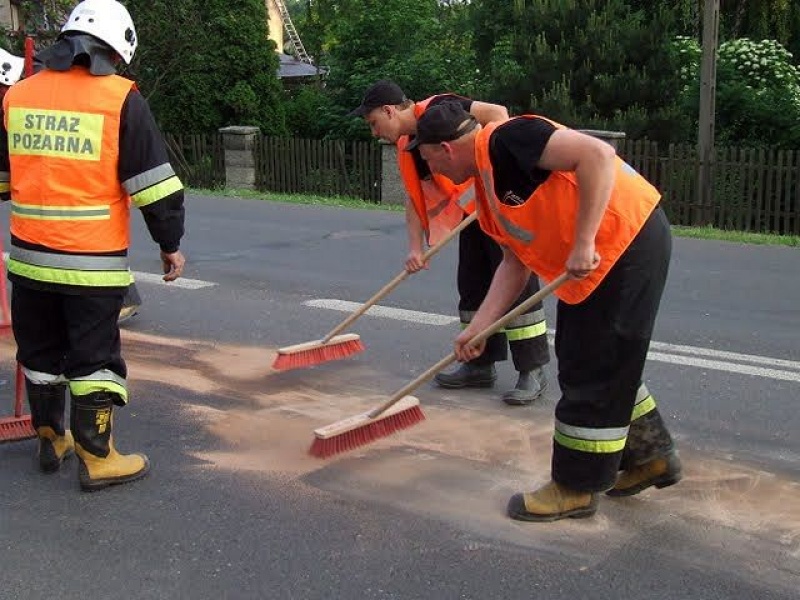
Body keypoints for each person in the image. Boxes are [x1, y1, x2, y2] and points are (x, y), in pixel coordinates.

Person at [406, 102, 681, 522]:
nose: (432, 169)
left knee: (591, 364)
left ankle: (575, 488)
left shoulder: (507, 139)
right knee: (596, 356)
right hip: (605, 254)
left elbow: (597, 154)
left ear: (445, 149)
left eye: (428, 159)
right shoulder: (486, 183)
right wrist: (479, 328)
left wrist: (584, 241)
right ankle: (650, 456)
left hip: (622, 240)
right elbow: (513, 264)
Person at [0, 0, 186, 491]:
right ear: (114, 51)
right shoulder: (121, 99)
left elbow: (4, 178)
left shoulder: (18, 95)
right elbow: (155, 186)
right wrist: (170, 244)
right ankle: (98, 457)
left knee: (40, 354)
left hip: (29, 262)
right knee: (94, 360)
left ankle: (50, 439)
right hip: (91, 266)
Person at [349, 81, 551, 405]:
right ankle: (478, 364)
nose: (374, 133)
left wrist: (496, 175)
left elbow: (497, 113)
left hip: (496, 204)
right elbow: (414, 197)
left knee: (516, 284)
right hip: (470, 214)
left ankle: (532, 369)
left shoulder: (441, 107)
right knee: (472, 286)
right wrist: (415, 248)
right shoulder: (408, 146)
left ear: (389, 111)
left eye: (374, 123)